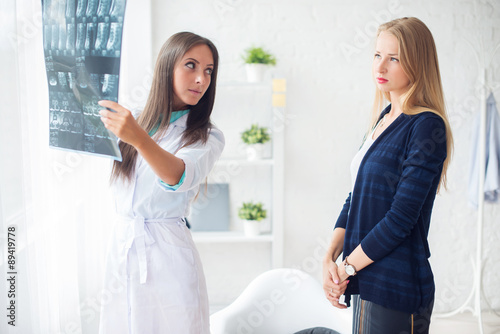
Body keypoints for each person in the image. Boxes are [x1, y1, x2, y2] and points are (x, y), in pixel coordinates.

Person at [322, 17, 453, 334]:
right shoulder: (382, 120)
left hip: (396, 285)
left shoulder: (425, 126)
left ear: (417, 64)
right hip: (365, 278)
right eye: (377, 55)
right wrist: (330, 258)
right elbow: (355, 198)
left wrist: (348, 266)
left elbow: (401, 217)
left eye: (394, 58)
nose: (380, 67)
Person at [97, 32, 224, 334]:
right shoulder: (135, 118)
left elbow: (178, 175)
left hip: (168, 252)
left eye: (208, 71)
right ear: (166, 67)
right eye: (191, 66)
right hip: (123, 243)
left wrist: (138, 138)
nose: (201, 79)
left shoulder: (207, 136)